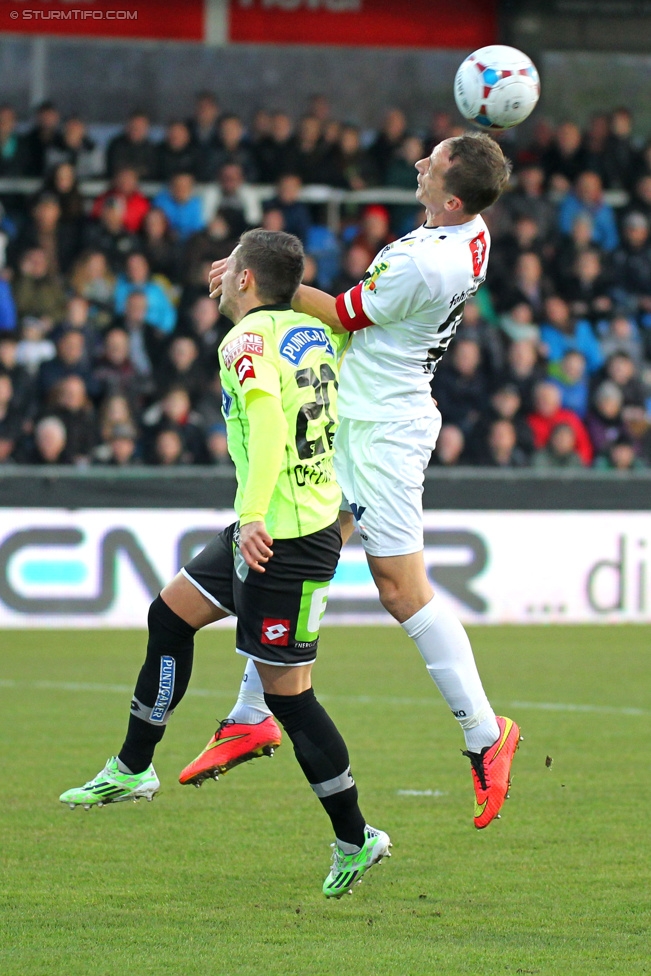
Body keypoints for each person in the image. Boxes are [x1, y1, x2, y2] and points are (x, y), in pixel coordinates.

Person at [60, 229, 391, 899]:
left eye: (231, 267)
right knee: (170, 614)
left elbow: (268, 422)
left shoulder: (244, 343)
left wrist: (251, 517)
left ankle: (357, 839)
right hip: (283, 518)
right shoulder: (310, 329)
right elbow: (329, 318)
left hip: (284, 537)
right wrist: (276, 278)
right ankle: (132, 766)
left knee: (288, 703)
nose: (219, 276)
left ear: (243, 281)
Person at [208, 133, 521, 831]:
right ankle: (250, 716)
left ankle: (484, 735)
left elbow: (343, 313)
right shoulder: (466, 229)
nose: (416, 162)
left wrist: (251, 280)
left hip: (382, 428)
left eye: (430, 161)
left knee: (400, 589)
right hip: (359, 411)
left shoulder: (425, 262)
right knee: (296, 546)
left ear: (449, 196)